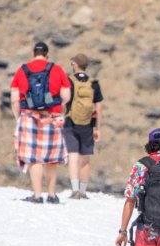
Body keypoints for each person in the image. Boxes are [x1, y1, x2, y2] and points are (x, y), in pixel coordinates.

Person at [9, 41, 71, 203]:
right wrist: (57, 106)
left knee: (34, 158)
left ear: (33, 54)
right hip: (52, 117)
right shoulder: (57, 70)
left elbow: (15, 99)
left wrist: (18, 117)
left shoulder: (23, 70)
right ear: (47, 54)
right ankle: (51, 194)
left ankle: (37, 195)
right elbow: (66, 95)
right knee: (51, 158)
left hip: (29, 118)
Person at [63, 52, 103, 199]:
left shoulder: (69, 81)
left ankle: (75, 190)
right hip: (88, 124)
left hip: (70, 121)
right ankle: (84, 190)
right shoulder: (94, 83)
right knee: (85, 159)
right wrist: (97, 128)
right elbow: (98, 108)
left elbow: (64, 99)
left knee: (73, 156)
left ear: (75, 65)